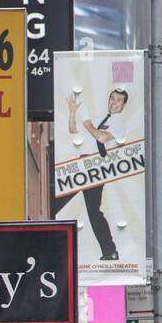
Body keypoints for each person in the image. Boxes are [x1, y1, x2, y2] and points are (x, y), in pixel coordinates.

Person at [53, 87, 130, 260]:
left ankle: (110, 250)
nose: (114, 102)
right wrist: (72, 113)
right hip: (83, 164)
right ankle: (110, 250)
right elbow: (74, 132)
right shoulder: (100, 118)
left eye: (119, 100)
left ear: (123, 105)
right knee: (66, 201)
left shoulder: (118, 122)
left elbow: (101, 138)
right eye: (112, 98)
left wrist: (88, 126)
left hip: (96, 167)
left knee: (91, 210)